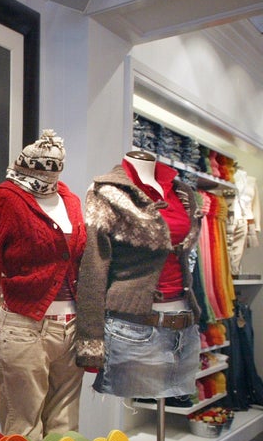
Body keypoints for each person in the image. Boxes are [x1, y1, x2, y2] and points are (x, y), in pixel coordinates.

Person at [0, 129, 86, 441]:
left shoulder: (71, 201)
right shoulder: (5, 199)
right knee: (24, 436)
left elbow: (80, 266)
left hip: (71, 330)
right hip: (23, 329)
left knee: (65, 435)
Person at [75, 149, 203, 402]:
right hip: (134, 329)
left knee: (176, 402)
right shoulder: (107, 192)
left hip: (185, 326)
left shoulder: (182, 192)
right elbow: (93, 267)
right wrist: (90, 342)